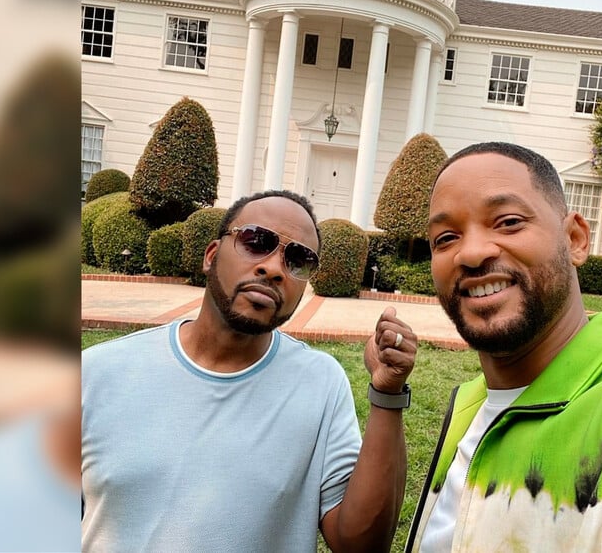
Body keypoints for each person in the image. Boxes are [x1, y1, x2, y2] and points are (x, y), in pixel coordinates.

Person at [405, 143, 602, 552]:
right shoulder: (470, 403)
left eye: (508, 222)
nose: (472, 252)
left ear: (576, 239)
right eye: (445, 237)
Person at [82, 190, 417, 552]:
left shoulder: (320, 384)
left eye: (298, 259)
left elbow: (361, 544)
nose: (273, 269)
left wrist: (387, 393)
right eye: (256, 241)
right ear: (211, 256)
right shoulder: (97, 374)